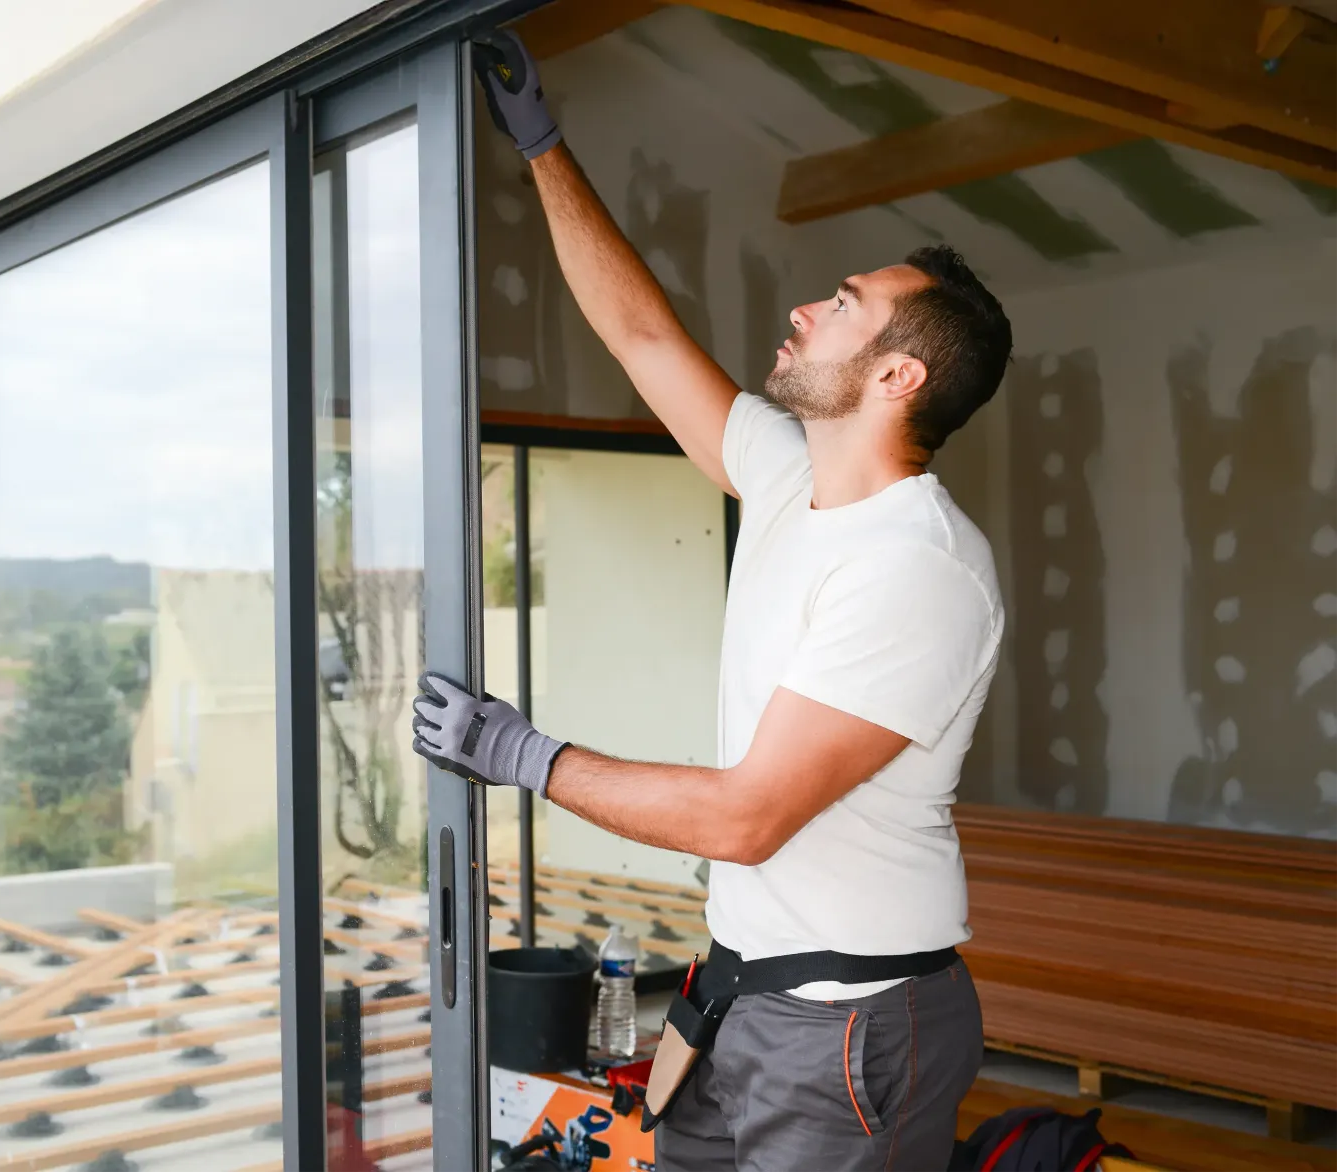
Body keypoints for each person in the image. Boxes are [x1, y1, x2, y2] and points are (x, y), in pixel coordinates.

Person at [413, 29, 1014, 1172]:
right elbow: (641, 335)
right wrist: (542, 146)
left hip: (849, 1031)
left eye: (842, 304)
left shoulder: (918, 566)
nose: (805, 309)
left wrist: (523, 753)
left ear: (899, 376)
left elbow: (748, 816)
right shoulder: (791, 473)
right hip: (739, 996)